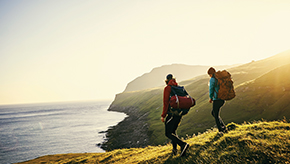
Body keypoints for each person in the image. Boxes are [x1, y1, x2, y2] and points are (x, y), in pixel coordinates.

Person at [161, 74, 189, 157]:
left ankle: (183, 144)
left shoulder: (167, 88)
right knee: (173, 131)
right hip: (179, 113)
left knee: (168, 133)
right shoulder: (179, 88)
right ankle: (174, 150)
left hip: (171, 114)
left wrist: (163, 115)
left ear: (166, 81)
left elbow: (166, 103)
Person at [208, 67, 228, 133]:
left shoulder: (213, 79)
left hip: (217, 99)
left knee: (215, 115)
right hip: (223, 98)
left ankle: (221, 130)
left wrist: (211, 98)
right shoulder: (220, 78)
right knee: (214, 113)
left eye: (209, 75)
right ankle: (223, 127)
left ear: (211, 74)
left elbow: (211, 89)